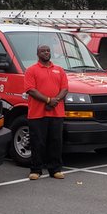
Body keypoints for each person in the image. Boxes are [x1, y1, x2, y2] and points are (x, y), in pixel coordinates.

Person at [23, 43, 69, 179]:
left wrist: (54, 101)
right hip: (37, 113)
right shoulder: (31, 70)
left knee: (56, 141)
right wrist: (48, 100)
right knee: (38, 142)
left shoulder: (59, 70)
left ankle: (55, 169)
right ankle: (36, 170)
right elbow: (30, 89)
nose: (46, 53)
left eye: (48, 51)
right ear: (38, 54)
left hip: (57, 113)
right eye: (43, 51)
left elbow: (65, 88)